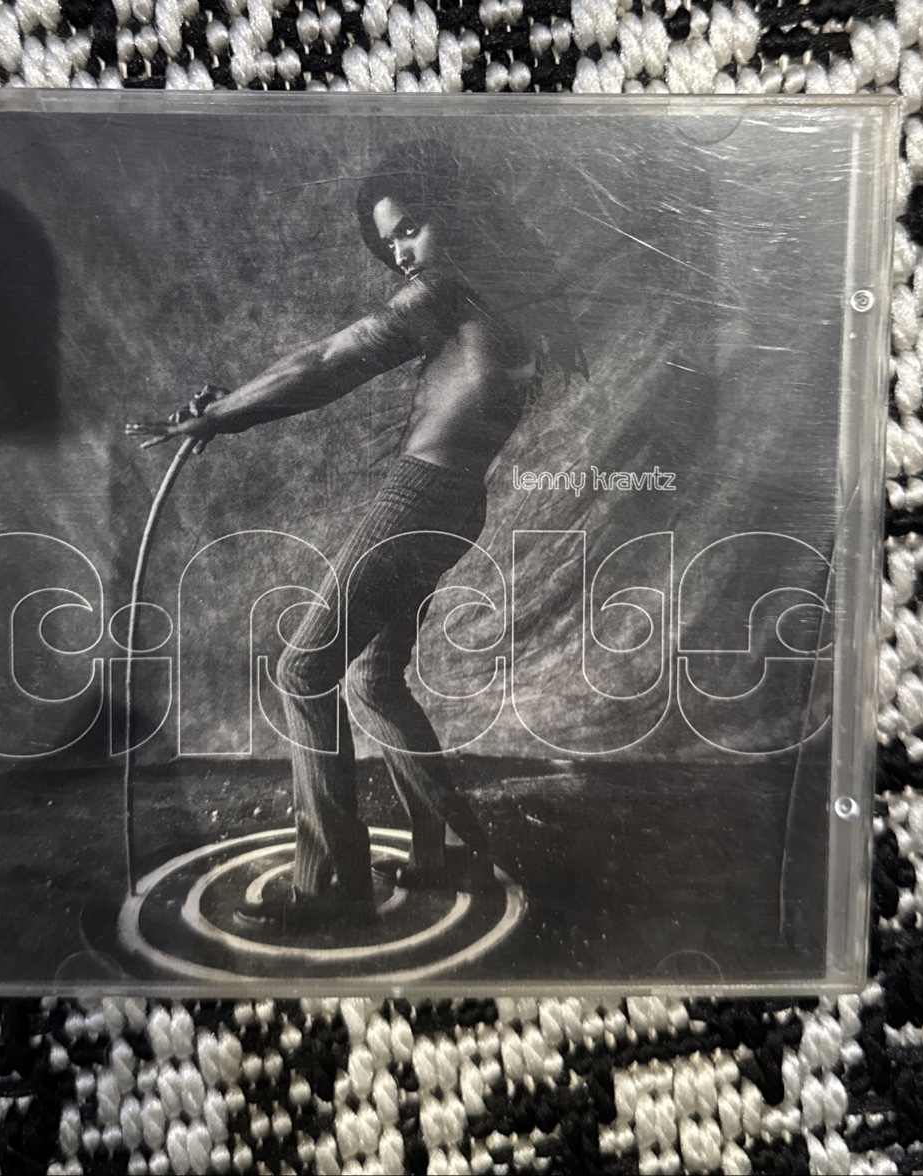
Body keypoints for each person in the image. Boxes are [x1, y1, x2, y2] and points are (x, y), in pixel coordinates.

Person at [138, 140, 582, 927]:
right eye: (390, 241)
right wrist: (229, 406)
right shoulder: (503, 293)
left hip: (422, 499)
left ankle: (331, 886)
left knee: (303, 671)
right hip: (455, 503)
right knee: (373, 681)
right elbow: (332, 361)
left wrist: (221, 415)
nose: (400, 253)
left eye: (411, 228)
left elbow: (329, 360)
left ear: (455, 214)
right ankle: (451, 848)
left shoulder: (448, 288)